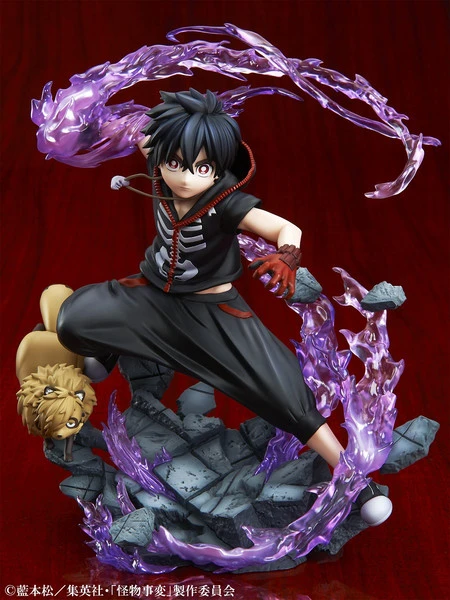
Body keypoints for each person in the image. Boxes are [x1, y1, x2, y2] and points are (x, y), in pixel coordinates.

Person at [56, 88, 391, 526]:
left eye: (201, 168)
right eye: (176, 164)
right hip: (152, 296)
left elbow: (285, 227)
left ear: (217, 167)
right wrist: (81, 123)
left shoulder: (225, 201)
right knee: (74, 317)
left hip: (214, 313)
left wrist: (287, 255)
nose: (184, 177)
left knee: (282, 391)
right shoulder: (158, 157)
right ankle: (106, 351)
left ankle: (354, 478)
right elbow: (132, 130)